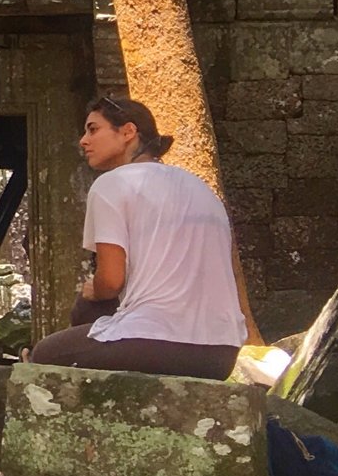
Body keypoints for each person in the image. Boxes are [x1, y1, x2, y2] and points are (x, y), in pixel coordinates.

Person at [25, 95, 248, 379]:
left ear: (128, 132)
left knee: (48, 352)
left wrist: (92, 289)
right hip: (220, 353)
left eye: (93, 130)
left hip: (158, 341)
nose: (83, 140)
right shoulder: (201, 189)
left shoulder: (111, 184)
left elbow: (110, 281)